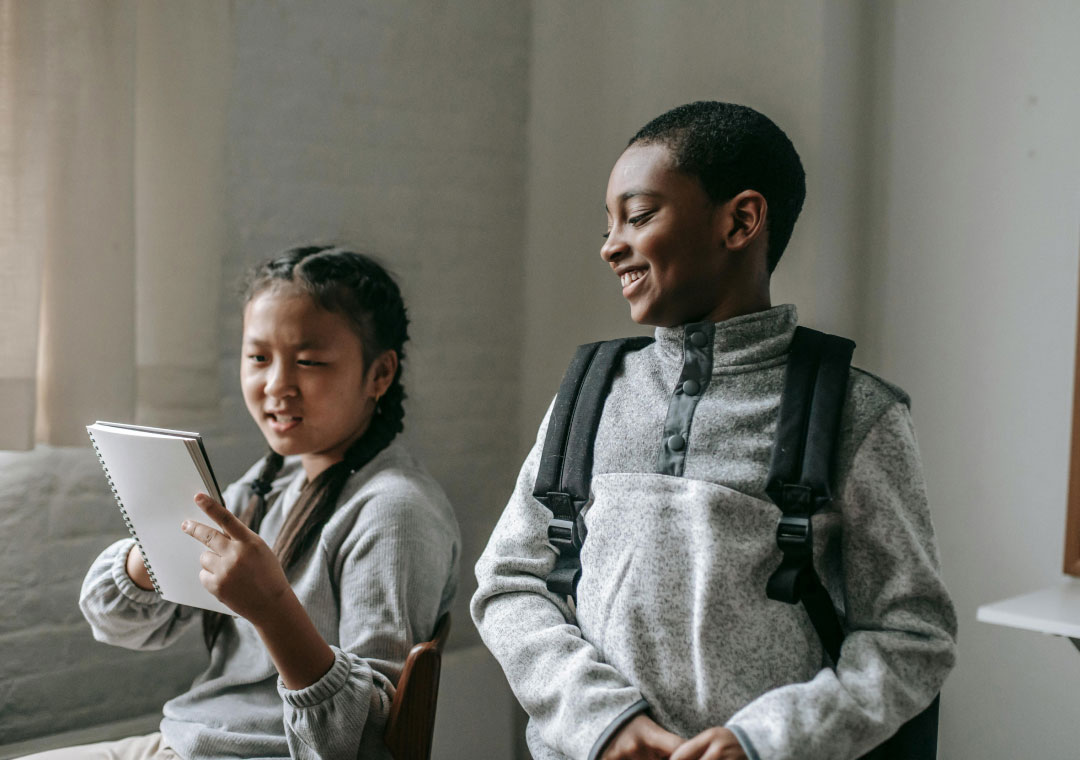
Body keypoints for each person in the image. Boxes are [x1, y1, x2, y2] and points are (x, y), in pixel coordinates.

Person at [471, 101, 957, 760]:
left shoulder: (855, 412)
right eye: (609, 223)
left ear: (741, 221)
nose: (611, 245)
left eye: (638, 217)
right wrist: (604, 722)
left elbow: (911, 636)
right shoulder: (588, 396)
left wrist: (762, 742)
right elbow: (510, 584)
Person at [32, 247, 460, 760]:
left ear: (380, 375)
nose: (277, 385)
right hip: (187, 740)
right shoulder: (268, 482)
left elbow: (366, 741)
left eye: (309, 361)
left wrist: (273, 608)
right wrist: (155, 548)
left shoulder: (394, 512)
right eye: (258, 358)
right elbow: (115, 623)